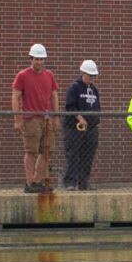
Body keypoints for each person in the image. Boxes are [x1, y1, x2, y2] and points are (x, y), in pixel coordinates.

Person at [11, 43, 59, 193]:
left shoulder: (49, 75)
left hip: (46, 118)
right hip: (30, 118)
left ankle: (38, 180)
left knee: (47, 150)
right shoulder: (22, 75)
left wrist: (55, 117)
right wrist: (18, 120)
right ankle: (29, 182)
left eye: (41, 59)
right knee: (30, 151)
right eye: (36, 59)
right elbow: (15, 96)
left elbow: (54, 96)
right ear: (31, 59)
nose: (39, 62)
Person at [62, 60, 100, 191]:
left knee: (87, 156)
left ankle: (84, 182)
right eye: (90, 76)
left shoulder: (94, 90)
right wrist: (80, 118)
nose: (92, 78)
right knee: (73, 155)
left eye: (94, 76)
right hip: (74, 129)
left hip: (91, 129)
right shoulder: (74, 88)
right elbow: (70, 107)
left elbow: (97, 108)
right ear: (83, 73)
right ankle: (70, 182)